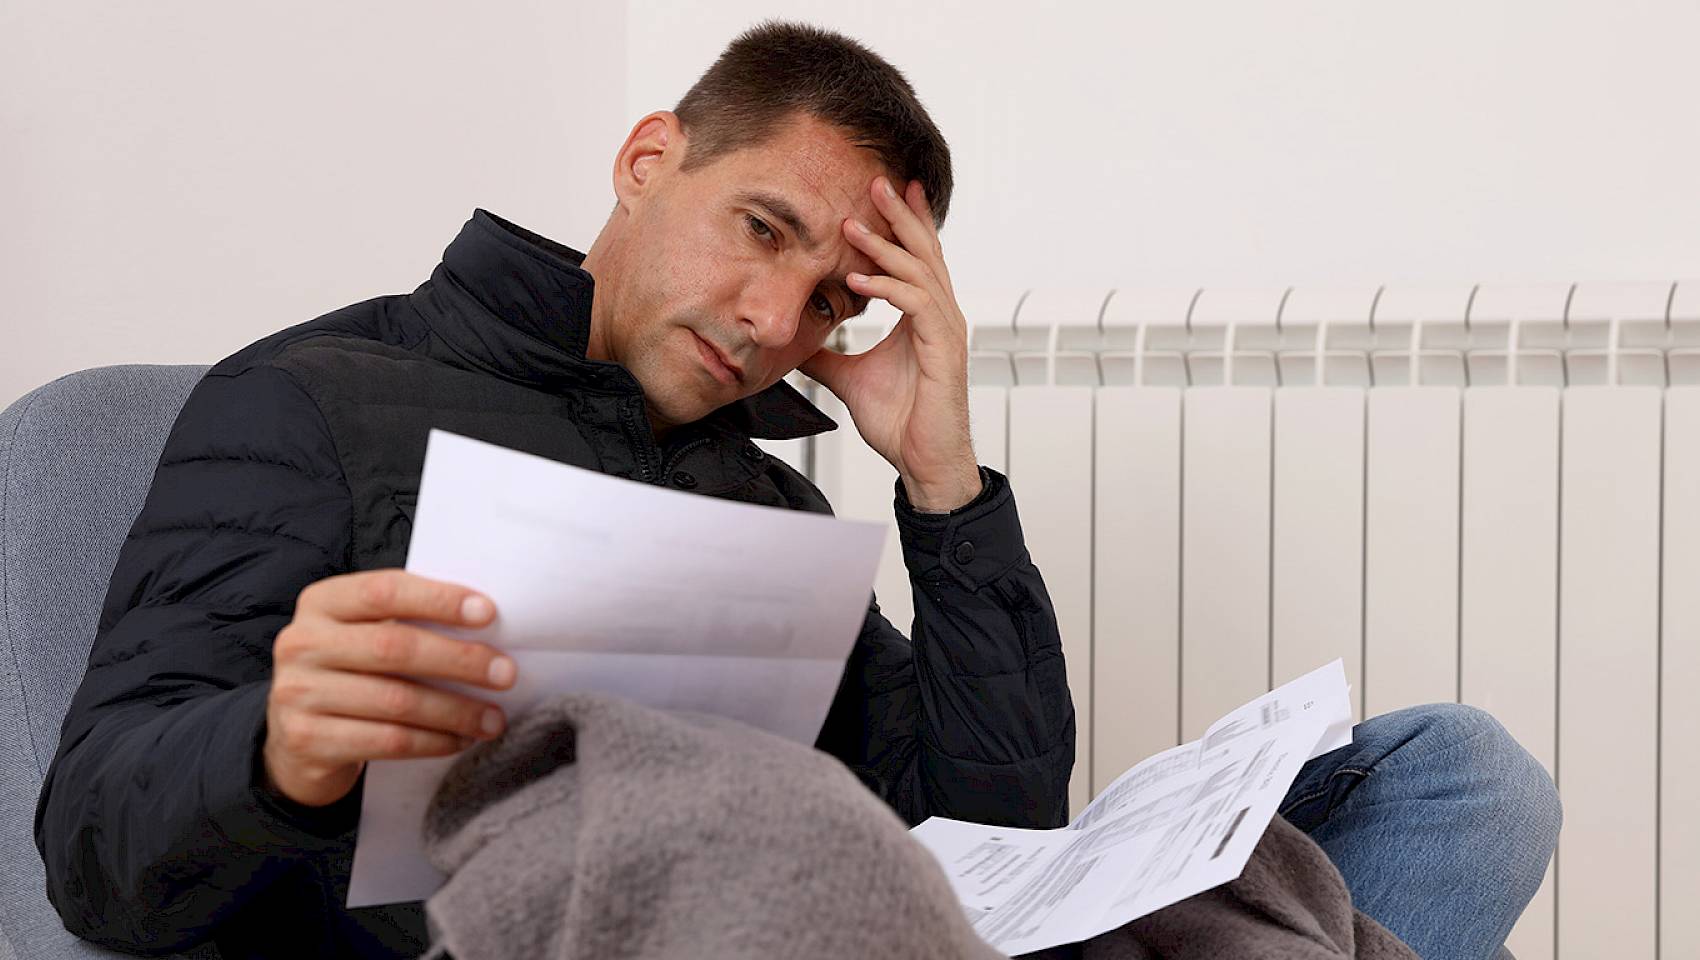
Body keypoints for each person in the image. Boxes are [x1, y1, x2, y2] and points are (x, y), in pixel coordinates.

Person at [34, 21, 1556, 960]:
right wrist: (272, 747)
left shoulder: (763, 505)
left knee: (1458, 773)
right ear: (647, 162)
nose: (777, 321)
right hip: (540, 924)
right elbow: (94, 859)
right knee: (781, 828)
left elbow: (996, 826)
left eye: (834, 300)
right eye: (760, 228)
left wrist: (945, 486)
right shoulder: (317, 403)